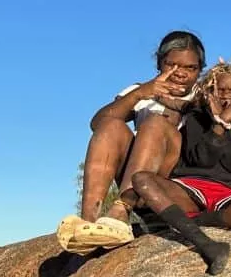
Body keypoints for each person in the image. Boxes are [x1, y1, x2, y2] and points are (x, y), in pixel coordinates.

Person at [129, 57, 231, 275]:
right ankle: (206, 244)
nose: (226, 96)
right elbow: (199, 160)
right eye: (220, 90)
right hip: (191, 187)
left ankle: (182, 221)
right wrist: (217, 125)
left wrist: (225, 125)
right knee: (142, 179)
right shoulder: (197, 117)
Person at [71, 31, 205, 245]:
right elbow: (97, 124)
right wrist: (140, 94)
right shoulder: (141, 91)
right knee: (112, 126)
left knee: (155, 123)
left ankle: (123, 207)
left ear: (200, 71)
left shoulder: (205, 96)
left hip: (175, 185)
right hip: (137, 179)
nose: (181, 73)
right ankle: (89, 220)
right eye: (173, 65)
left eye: (191, 68)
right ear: (160, 63)